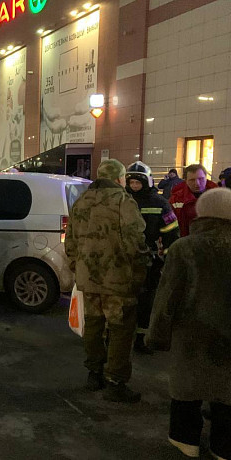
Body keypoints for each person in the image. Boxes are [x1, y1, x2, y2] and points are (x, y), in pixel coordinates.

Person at [148, 188, 231, 459]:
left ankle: (187, 442)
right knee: (228, 397)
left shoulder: (185, 248)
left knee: (187, 392)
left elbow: (166, 298)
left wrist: (157, 336)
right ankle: (224, 447)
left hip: (193, 339)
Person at [65, 159, 149, 403]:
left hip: (88, 279)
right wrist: (139, 272)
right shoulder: (123, 201)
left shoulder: (81, 201)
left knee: (93, 325)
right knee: (121, 330)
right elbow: (135, 241)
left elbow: (70, 242)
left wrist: (78, 268)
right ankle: (116, 381)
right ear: (119, 179)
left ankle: (94, 373)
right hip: (118, 280)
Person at [124, 161, 180, 355]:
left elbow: (171, 232)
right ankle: (118, 337)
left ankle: (142, 338)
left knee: (147, 301)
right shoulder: (122, 200)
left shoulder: (160, 203)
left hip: (150, 261)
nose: (135, 186)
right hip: (124, 261)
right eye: (131, 182)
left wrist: (165, 256)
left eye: (138, 183)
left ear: (147, 182)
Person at [170, 164, 217, 237]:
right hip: (184, 243)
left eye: (201, 179)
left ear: (206, 178)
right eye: (192, 180)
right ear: (185, 181)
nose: (197, 183)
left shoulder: (218, 198)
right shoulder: (176, 199)